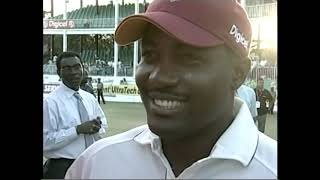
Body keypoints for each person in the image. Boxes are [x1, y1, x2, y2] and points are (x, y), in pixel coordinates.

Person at [66, 0, 277, 179]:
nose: (158, 76)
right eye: (149, 54)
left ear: (238, 73)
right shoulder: (95, 165)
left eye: (188, 58)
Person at [43, 51, 108, 179]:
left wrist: (97, 128)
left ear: (83, 69)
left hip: (89, 165)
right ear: (58, 73)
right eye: (67, 68)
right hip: (61, 169)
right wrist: (77, 130)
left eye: (77, 67)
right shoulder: (50, 102)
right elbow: (45, 142)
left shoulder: (89, 98)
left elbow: (104, 124)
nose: (73, 72)